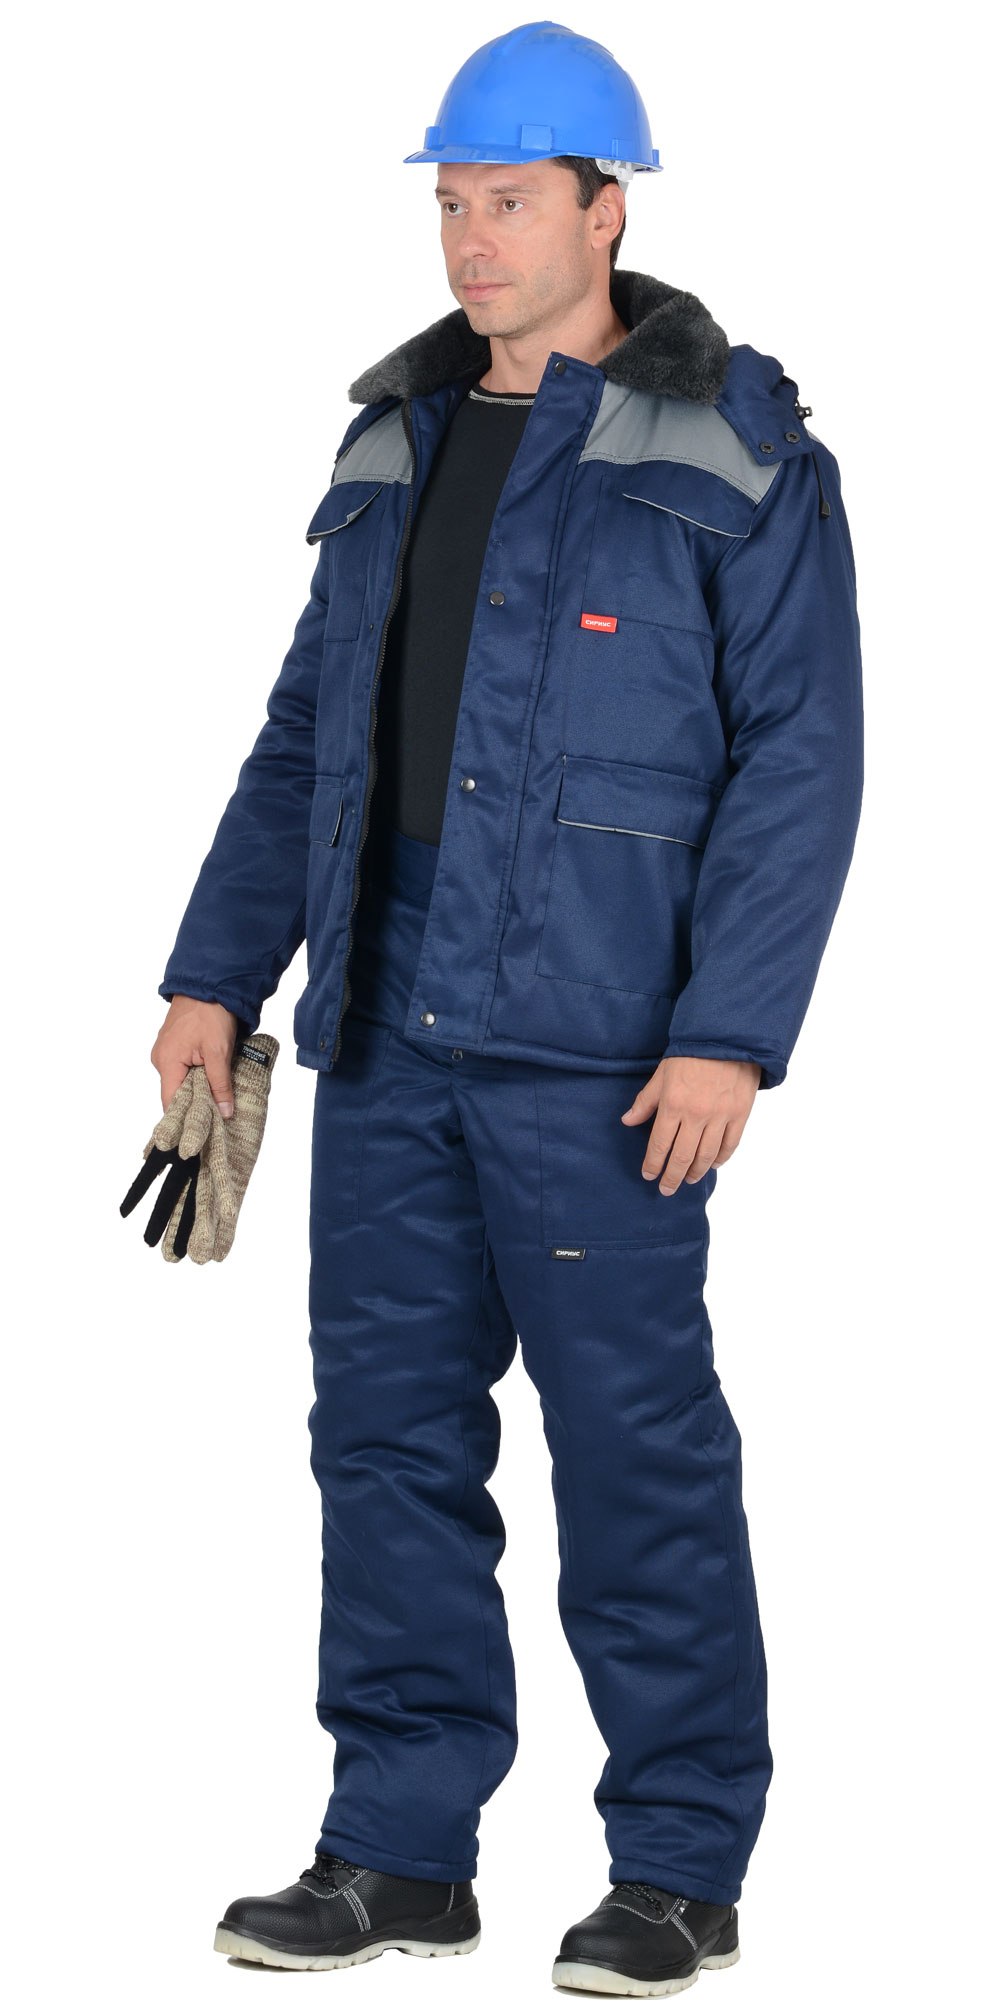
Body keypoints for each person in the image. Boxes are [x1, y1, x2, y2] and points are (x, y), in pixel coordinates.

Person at [151, 20, 864, 1993]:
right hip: (387, 1034)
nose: (472, 240)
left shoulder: (736, 454)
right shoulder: (389, 443)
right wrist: (213, 976)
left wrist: (728, 1030)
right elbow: (304, 741)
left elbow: (800, 762)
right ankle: (399, 1847)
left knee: (635, 1451)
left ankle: (677, 1866)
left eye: (510, 202)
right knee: (383, 1443)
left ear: (602, 210)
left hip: (603, 1053)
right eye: (451, 204)